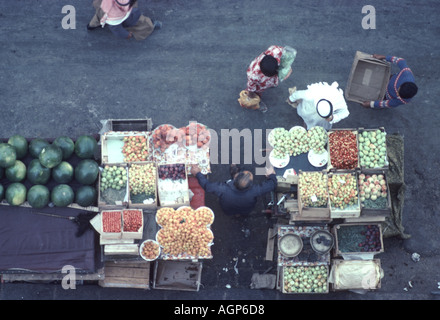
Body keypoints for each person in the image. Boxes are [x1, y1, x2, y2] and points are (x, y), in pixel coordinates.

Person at [190, 164, 277, 217]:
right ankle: (240, 215)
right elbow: (272, 184)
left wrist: (197, 173)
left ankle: (235, 215)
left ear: (235, 178)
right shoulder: (255, 190)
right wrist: (271, 175)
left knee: (230, 212)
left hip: (228, 209)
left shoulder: (222, 189)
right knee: (243, 212)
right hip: (246, 208)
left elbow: (206, 186)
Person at [245, 45, 297, 112]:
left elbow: (286, 57)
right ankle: (257, 102)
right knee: (257, 93)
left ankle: (273, 83)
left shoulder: (275, 51)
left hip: (271, 75)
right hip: (261, 85)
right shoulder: (253, 75)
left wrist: (287, 67)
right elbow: (251, 88)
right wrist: (251, 96)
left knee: (274, 80)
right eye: (269, 76)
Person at [87, 0, 162, 40]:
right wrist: (126, 35)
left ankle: (92, 26)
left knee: (98, 17)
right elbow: (116, 28)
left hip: (103, 5)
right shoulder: (116, 14)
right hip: (122, 16)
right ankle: (150, 25)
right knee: (139, 21)